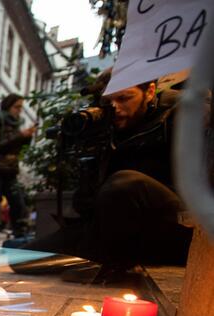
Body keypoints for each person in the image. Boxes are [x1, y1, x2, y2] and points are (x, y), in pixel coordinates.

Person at [22, 76, 193, 279]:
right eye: (108, 101)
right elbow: (86, 205)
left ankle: (102, 264)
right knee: (23, 259)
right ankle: (100, 257)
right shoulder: (107, 124)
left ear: (149, 91)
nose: (115, 107)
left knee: (126, 183)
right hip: (113, 228)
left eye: (124, 98)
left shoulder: (182, 109)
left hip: (173, 225)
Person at [0, 94, 35, 248]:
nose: (19, 111)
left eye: (21, 107)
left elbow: (19, 150)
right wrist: (19, 136)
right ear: (7, 106)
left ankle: (20, 236)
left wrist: (27, 138)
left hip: (9, 171)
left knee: (18, 203)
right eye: (17, 107)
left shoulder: (16, 126)